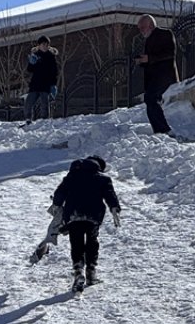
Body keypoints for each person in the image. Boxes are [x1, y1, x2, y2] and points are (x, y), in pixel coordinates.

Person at [49, 155, 121, 292]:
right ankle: (91, 272)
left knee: (76, 242)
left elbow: (60, 192)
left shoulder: (72, 176)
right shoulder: (103, 179)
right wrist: (114, 209)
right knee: (92, 241)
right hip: (93, 216)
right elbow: (110, 195)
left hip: (73, 214)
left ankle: (78, 271)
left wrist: (56, 205)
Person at [136, 14, 178, 136]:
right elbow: (151, 60)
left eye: (142, 27)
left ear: (150, 25)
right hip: (154, 77)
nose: (141, 31)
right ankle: (159, 130)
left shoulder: (165, 34)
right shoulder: (148, 39)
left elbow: (169, 54)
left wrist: (149, 58)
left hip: (165, 75)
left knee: (151, 98)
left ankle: (163, 129)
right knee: (149, 100)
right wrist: (142, 61)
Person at [24, 36, 58, 124]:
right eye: (43, 44)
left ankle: (44, 121)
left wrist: (53, 84)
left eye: (47, 44)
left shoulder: (51, 57)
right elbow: (29, 70)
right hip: (35, 84)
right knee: (29, 103)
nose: (45, 46)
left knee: (44, 104)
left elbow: (54, 72)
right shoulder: (35, 55)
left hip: (46, 84)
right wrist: (31, 63)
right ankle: (28, 119)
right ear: (39, 45)